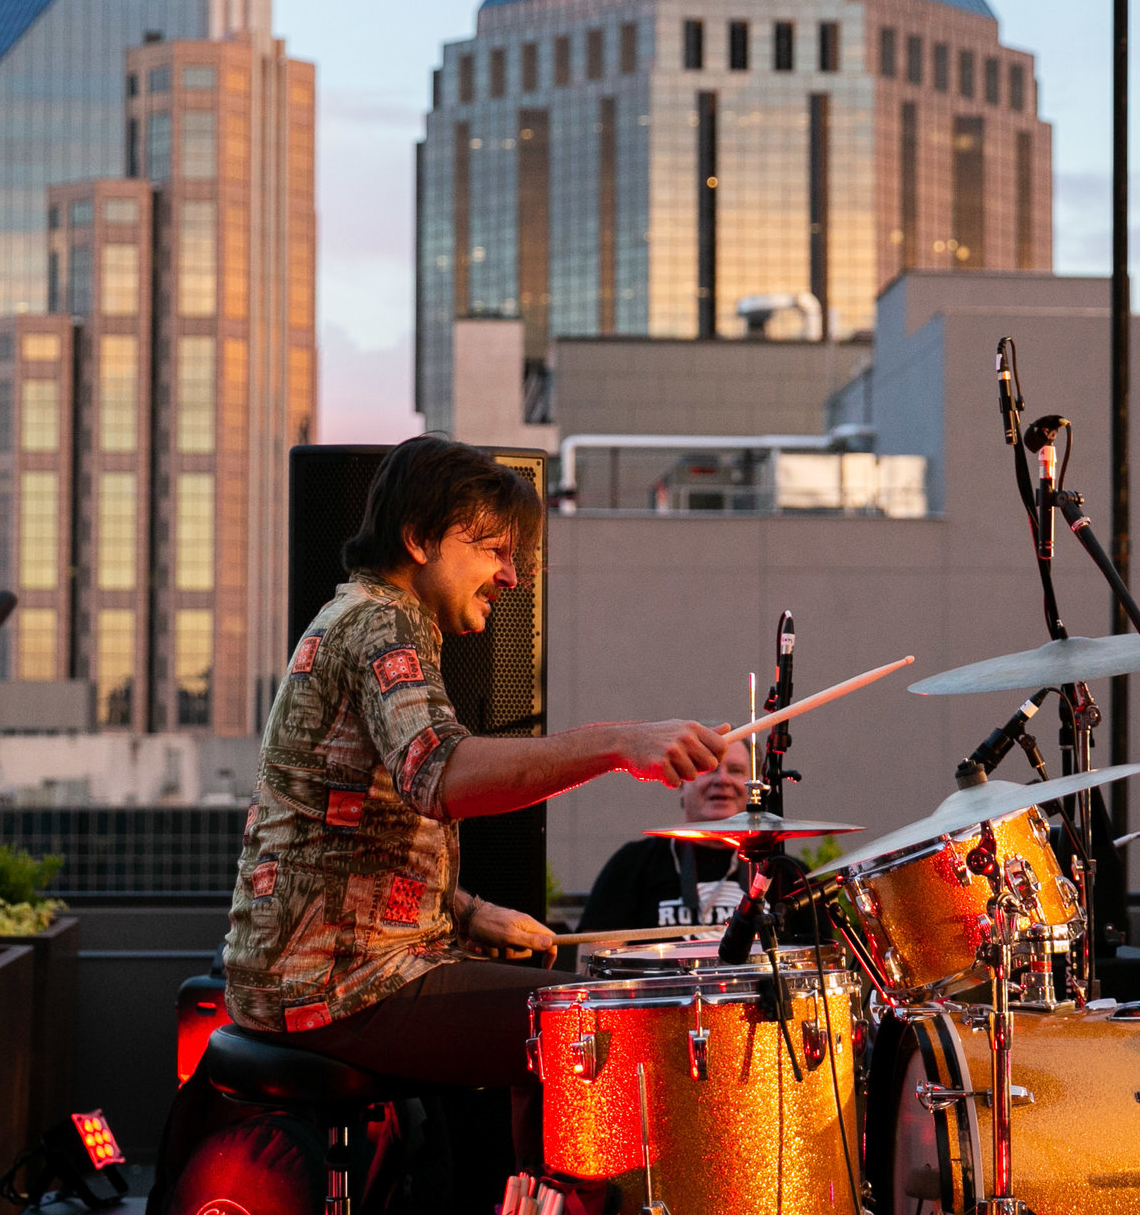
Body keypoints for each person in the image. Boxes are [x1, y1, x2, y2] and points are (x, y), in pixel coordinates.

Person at [221, 435, 728, 1160]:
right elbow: (442, 777)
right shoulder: (380, 623)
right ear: (421, 537)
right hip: (337, 987)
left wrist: (468, 911)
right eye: (493, 549)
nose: (511, 577)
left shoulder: (362, 616)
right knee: (593, 1029)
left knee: (555, 1010)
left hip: (314, 972)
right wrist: (622, 743)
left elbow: (339, 837)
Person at [579, 738, 755, 932]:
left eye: (736, 770)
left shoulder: (781, 870)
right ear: (681, 784)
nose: (722, 780)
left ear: (755, 788)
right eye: (708, 769)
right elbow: (594, 957)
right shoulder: (633, 863)